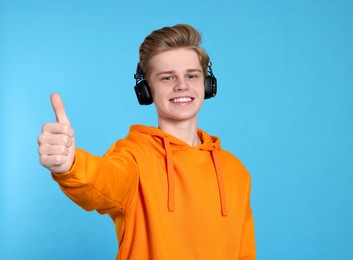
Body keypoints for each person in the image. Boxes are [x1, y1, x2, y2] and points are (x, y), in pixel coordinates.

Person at [38, 24, 256, 259]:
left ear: (207, 84)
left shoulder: (235, 171)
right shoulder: (134, 157)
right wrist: (71, 165)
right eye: (167, 77)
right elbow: (104, 178)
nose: (182, 85)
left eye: (192, 75)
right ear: (146, 89)